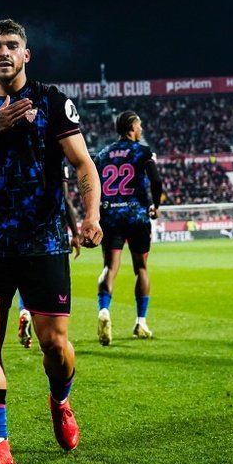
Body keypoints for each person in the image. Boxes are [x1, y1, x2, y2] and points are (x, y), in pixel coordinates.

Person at [0, 18, 102, 464]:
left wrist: (91, 217)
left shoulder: (53, 102)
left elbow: (83, 165)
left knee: (55, 346)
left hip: (44, 242)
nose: (4, 53)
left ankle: (61, 399)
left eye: (13, 45)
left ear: (26, 54)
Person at [92, 110, 164, 345]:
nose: (141, 129)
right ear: (132, 127)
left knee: (109, 267)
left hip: (110, 216)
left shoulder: (103, 154)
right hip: (136, 217)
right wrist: (155, 204)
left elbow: (91, 183)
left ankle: (104, 311)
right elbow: (156, 180)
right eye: (140, 124)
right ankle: (141, 322)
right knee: (141, 268)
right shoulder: (142, 152)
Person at [17, 167, 82, 349]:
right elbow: (65, 198)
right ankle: (52, 339)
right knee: (50, 293)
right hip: (52, 237)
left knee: (24, 279)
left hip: (22, 231)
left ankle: (24, 310)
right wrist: (75, 234)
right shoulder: (55, 156)